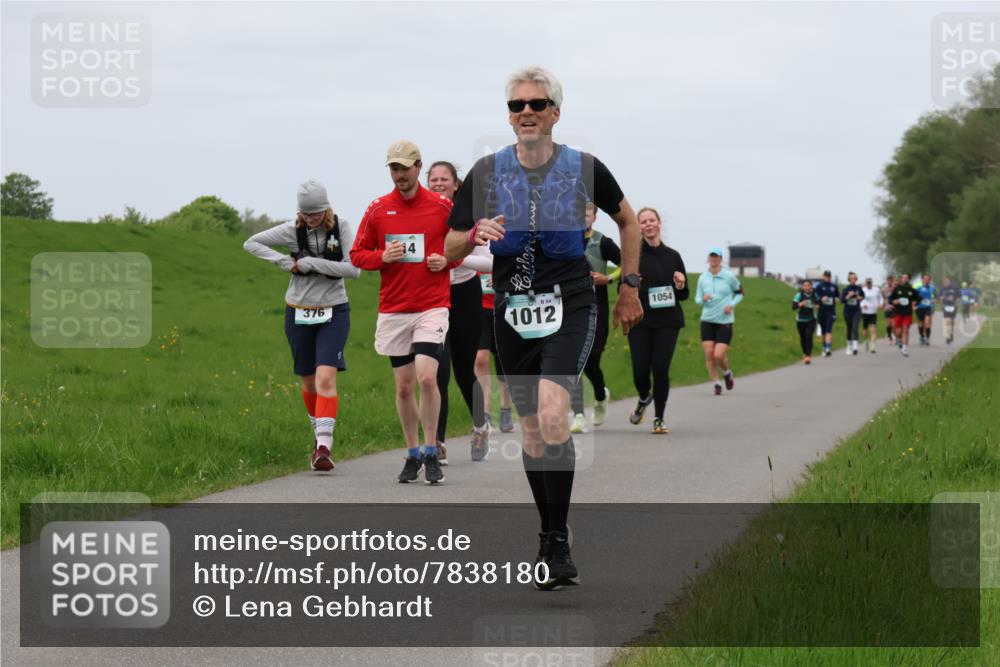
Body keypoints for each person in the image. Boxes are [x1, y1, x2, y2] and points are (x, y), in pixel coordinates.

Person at [444, 66, 643, 591]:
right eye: (517, 106)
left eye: (537, 104)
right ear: (508, 117)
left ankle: (556, 540)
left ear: (556, 112)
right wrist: (473, 235)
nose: (526, 112)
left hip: (571, 303)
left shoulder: (585, 168)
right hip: (512, 310)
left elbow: (625, 221)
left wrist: (629, 286)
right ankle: (550, 533)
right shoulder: (486, 173)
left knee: (554, 412)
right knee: (534, 429)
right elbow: (446, 251)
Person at [350, 141, 455, 485]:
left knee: (427, 377)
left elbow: (460, 243)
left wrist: (448, 260)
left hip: (432, 304)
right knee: (405, 387)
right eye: (393, 169)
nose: (399, 176)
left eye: (404, 169)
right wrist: (382, 257)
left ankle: (431, 449)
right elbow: (357, 254)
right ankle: (412, 454)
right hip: (394, 308)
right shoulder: (378, 209)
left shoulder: (441, 206)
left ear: (418, 167)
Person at [243, 179, 360, 472]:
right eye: (306, 214)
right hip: (298, 311)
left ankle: (323, 447)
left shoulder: (342, 228)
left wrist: (313, 263)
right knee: (308, 382)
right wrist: (284, 262)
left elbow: (352, 269)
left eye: (316, 213)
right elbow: (251, 243)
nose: (311, 219)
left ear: (326, 208)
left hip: (333, 311)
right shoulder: (291, 230)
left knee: (325, 379)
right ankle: (318, 435)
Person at [427, 161, 493, 464]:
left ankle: (481, 424)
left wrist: (453, 259)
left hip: (465, 294)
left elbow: (489, 261)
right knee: (436, 372)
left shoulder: (469, 214)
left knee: (465, 370)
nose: (438, 183)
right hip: (433, 296)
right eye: (434, 179)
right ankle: (437, 442)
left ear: (456, 184)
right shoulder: (424, 212)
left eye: (444, 179)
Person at [626, 207, 687, 433]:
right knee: (640, 372)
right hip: (639, 321)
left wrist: (680, 284)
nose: (649, 224)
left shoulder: (673, 256)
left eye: (652, 220)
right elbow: (623, 288)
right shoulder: (633, 256)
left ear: (659, 223)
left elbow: (683, 294)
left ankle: (659, 418)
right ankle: (644, 397)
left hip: (667, 321)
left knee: (660, 368)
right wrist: (633, 283)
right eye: (644, 222)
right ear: (639, 227)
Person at [570, 202, 621, 433]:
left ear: (594, 217)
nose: (583, 217)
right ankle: (578, 414)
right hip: (570, 307)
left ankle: (601, 395)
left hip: (597, 307)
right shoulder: (566, 240)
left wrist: (608, 278)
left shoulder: (603, 242)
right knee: (573, 362)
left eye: (587, 213)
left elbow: (626, 263)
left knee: (591, 361)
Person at [474, 268, 516, 439]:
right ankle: (485, 414)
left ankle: (506, 409)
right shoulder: (474, 243)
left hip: (504, 308)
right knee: (480, 359)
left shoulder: (506, 243)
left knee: (504, 365)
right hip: (480, 310)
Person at [695, 248, 742, 395]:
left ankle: (727, 373)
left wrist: (731, 305)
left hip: (724, 321)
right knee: (709, 354)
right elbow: (697, 299)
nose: (714, 259)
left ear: (721, 259)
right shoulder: (702, 277)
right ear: (708, 259)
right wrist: (704, 299)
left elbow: (740, 293)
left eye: (717, 257)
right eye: (712, 257)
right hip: (707, 320)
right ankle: (716, 383)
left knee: (718, 355)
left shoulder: (729, 276)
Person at [889, 272, 918, 357]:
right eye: (903, 278)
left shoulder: (912, 290)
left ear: (908, 279)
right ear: (901, 279)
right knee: (898, 332)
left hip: (907, 313)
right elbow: (890, 299)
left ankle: (905, 348)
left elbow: (917, 298)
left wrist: (914, 303)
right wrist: (894, 301)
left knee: (906, 330)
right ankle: (899, 340)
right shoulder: (897, 289)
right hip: (898, 312)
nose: (904, 279)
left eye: (906, 278)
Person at [792, 279, 819, 364]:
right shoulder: (799, 295)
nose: (806, 287)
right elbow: (793, 307)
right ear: (802, 287)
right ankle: (804, 353)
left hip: (811, 319)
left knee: (809, 336)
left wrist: (816, 306)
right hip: (800, 319)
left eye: (808, 285)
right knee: (803, 338)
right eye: (805, 286)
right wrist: (800, 304)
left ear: (811, 286)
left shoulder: (815, 295)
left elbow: (819, 304)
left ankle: (808, 356)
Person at [814, 270, 839, 357]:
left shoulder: (834, 286)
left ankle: (828, 348)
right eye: (826, 276)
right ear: (823, 276)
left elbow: (837, 296)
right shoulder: (819, 286)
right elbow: (814, 296)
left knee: (829, 329)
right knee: (823, 332)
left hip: (831, 311)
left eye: (829, 276)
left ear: (830, 277)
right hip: (821, 311)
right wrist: (820, 299)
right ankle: (824, 347)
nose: (827, 277)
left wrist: (836, 299)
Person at [841, 272, 865, 356]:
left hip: (857, 311)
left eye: (855, 278)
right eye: (852, 278)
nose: (854, 280)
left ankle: (855, 347)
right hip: (847, 311)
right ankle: (849, 346)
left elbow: (862, 297)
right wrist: (848, 296)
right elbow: (842, 300)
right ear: (849, 279)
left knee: (855, 327)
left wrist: (858, 297)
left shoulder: (859, 288)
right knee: (849, 328)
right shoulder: (846, 289)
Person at [860, 276, 882, 353]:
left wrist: (880, 304)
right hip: (865, 312)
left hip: (873, 312)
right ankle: (866, 341)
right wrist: (862, 305)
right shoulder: (862, 290)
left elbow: (880, 298)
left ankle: (872, 347)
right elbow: (859, 300)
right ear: (866, 283)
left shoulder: (876, 289)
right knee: (865, 331)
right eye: (867, 283)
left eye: (870, 283)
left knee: (873, 329)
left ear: (872, 283)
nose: (869, 284)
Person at [939, 276, 961, 344]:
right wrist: (942, 298)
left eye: (947, 281)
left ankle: (951, 334)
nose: (945, 283)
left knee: (952, 321)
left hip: (953, 306)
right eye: (944, 282)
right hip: (945, 306)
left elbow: (959, 296)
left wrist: (956, 302)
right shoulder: (942, 289)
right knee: (947, 321)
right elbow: (940, 296)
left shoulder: (954, 287)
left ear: (949, 281)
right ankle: (948, 336)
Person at [915, 273, 935, 346]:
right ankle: (922, 336)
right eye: (925, 279)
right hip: (920, 308)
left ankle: (927, 339)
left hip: (928, 307)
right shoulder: (918, 288)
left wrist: (934, 300)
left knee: (927, 323)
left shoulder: (932, 288)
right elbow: (914, 298)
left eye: (928, 279)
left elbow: (936, 296)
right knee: (921, 324)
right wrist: (914, 305)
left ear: (930, 280)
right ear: (922, 280)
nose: (926, 280)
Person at [881, 275, 897, 344]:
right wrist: (882, 304)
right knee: (888, 325)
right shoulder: (884, 289)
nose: (890, 282)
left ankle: (894, 335)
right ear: (887, 281)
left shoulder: (895, 288)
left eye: (891, 281)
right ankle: (889, 337)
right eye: (888, 281)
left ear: (892, 281)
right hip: (887, 307)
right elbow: (882, 297)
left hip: (894, 307)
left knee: (894, 324)